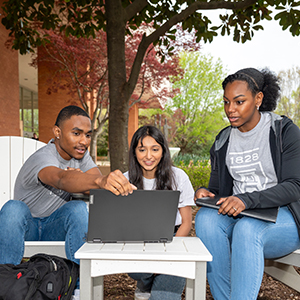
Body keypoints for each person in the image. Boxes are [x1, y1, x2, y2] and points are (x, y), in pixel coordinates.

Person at [0, 105, 135, 297]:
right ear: (57, 132)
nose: (83, 141)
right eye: (76, 133)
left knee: (78, 209)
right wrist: (94, 180)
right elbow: (61, 180)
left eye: (88, 135)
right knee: (13, 208)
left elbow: (95, 186)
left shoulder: (81, 155)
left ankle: (78, 289)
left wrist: (96, 182)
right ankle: (5, 282)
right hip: (25, 228)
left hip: (55, 228)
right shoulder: (43, 157)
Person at [194, 68, 300, 300]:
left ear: (258, 99)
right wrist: (207, 193)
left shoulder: (284, 131)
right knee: (205, 219)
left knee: (247, 229)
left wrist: (245, 200)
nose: (230, 109)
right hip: (241, 214)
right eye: (226, 102)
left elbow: (294, 186)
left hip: (284, 217)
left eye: (239, 101)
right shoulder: (224, 139)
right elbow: (218, 188)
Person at [124, 125, 195, 300]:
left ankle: (149, 282)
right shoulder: (125, 180)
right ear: (134, 152)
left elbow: (186, 223)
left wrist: (168, 255)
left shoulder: (178, 177)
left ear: (163, 151)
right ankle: (146, 281)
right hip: (137, 242)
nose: (149, 156)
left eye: (155, 149)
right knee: (137, 270)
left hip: (173, 240)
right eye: (142, 150)